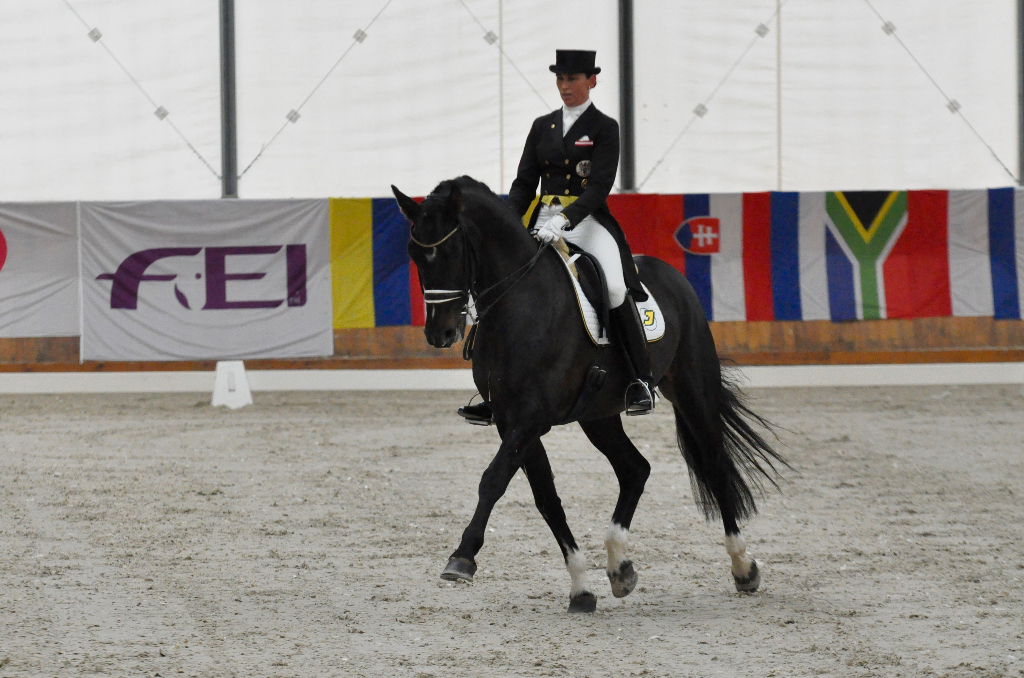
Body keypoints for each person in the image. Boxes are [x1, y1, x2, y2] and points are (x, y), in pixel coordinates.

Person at [459, 49, 655, 424]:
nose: (566, 87)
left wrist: (565, 219)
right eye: (561, 80)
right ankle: (494, 388)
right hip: (539, 217)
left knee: (614, 288)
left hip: (586, 220)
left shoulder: (604, 127)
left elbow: (599, 187)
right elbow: (522, 184)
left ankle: (639, 380)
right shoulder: (541, 126)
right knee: (504, 278)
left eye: (573, 80)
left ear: (591, 81)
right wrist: (509, 222)